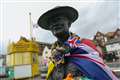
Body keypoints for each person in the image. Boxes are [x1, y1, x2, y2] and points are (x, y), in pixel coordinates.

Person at [37, 6, 118, 80]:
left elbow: (99, 72)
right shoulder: (54, 56)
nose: (55, 24)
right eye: (51, 22)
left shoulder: (86, 45)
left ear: (69, 23)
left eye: (58, 19)